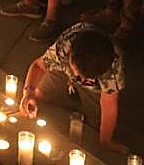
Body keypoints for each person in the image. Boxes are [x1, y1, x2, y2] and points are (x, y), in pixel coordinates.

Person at [18, 24, 128, 155]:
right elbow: (38, 66)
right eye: (76, 71)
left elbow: (109, 104)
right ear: (71, 54)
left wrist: (106, 140)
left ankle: (80, 101)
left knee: (96, 127)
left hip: (94, 89)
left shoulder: (112, 67)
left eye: (82, 77)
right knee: (38, 95)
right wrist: (28, 93)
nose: (78, 77)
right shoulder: (65, 45)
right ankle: (74, 97)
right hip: (64, 73)